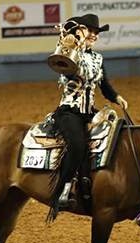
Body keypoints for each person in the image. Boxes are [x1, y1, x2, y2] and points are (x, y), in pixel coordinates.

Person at [49, 13, 128, 221]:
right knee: (77, 146)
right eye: (90, 30)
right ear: (80, 31)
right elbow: (64, 69)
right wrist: (70, 44)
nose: (93, 34)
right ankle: (62, 189)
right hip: (69, 112)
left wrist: (117, 97)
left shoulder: (98, 59)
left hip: (88, 112)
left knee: (116, 134)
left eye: (96, 32)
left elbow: (105, 86)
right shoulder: (71, 51)